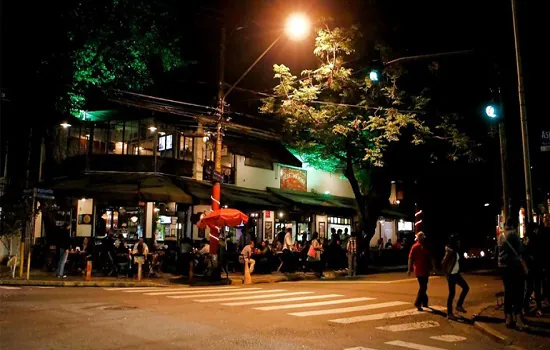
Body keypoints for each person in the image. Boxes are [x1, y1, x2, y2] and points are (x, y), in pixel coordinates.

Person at [498, 217, 527, 330]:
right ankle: (518, 317)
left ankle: (508, 317)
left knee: (508, 291)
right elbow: (521, 250)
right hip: (514, 266)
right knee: (518, 291)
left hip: (503, 267)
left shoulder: (501, 236)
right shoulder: (514, 235)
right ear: (514, 226)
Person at [441, 234, 469, 320]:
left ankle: (459, 305)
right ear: (454, 242)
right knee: (452, 294)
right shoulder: (450, 252)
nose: (459, 242)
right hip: (451, 275)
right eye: (457, 241)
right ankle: (449, 313)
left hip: (456, 273)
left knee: (466, 288)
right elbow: (443, 263)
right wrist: (447, 274)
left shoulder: (455, 250)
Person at [408, 231, 433, 311]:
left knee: (423, 286)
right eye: (421, 237)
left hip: (424, 270)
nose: (422, 239)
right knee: (423, 287)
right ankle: (418, 303)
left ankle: (425, 302)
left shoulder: (424, 246)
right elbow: (410, 258)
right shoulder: (415, 247)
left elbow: (430, 258)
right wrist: (409, 269)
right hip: (420, 270)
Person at [523, 223, 543, 316]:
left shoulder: (527, 238)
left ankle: (527, 308)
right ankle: (534, 308)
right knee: (534, 288)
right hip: (533, 266)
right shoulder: (532, 237)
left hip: (532, 267)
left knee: (531, 288)